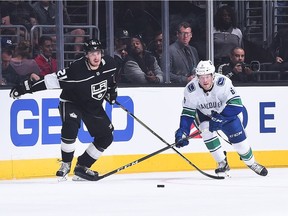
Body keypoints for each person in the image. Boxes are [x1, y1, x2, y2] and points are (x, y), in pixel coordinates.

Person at [9, 39, 118, 181]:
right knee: (70, 126)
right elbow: (49, 81)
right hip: (72, 101)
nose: (96, 57)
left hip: (92, 105)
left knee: (106, 137)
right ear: (86, 55)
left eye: (98, 53)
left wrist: (112, 92)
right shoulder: (76, 70)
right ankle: (66, 164)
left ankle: (82, 166)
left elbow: (111, 80)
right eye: (92, 54)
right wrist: (23, 88)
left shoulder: (110, 64)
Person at [174, 60, 268, 177]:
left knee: (241, 146)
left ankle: (251, 163)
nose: (205, 80)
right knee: (206, 131)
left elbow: (237, 104)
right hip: (205, 116)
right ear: (197, 77)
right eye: (201, 77)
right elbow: (188, 113)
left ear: (213, 75)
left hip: (227, 115)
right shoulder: (191, 89)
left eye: (207, 76)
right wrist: (183, 131)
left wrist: (221, 117)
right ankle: (222, 163)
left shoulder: (223, 83)